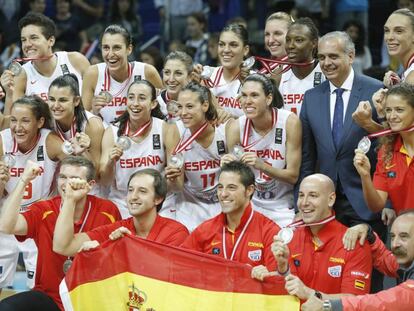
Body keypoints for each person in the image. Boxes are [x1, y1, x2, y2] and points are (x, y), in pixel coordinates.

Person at [0, 157, 121, 311]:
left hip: (91, 297)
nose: (66, 184)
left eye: (74, 178)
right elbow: (5, 226)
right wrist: (24, 180)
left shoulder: (108, 211)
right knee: (7, 307)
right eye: (63, 177)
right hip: (50, 296)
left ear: (90, 185)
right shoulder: (45, 209)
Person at [299, 31, 384, 234]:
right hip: (325, 206)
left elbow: (390, 150)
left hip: (367, 204)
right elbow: (307, 157)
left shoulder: (376, 90)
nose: (326, 62)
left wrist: (387, 204)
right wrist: (300, 204)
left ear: (351, 56)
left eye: (333, 56)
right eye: (321, 57)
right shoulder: (311, 98)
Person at [261, 174, 372, 303]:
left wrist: (310, 294)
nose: (304, 203)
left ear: (331, 199)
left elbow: (356, 302)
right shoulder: (290, 237)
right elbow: (283, 291)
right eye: (301, 195)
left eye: (313, 195)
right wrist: (281, 269)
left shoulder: (354, 242)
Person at [0, 95, 66, 292]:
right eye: (13, 120)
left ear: (40, 122)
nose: (18, 127)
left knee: (38, 288)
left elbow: (77, 167)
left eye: (25, 120)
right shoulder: (2, 141)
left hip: (38, 222)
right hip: (5, 220)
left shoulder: (50, 141)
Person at [53, 168, 189, 258]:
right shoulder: (116, 230)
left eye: (142, 191)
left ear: (158, 199)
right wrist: (70, 199)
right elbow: (63, 247)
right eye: (130, 190)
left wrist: (116, 249)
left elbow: (162, 272)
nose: (133, 196)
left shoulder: (176, 232)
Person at [223, 73, 301, 227]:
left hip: (282, 206)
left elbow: (293, 176)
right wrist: (227, 166)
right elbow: (234, 178)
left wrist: (262, 165)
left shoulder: (289, 122)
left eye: (254, 95)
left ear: (269, 99)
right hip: (249, 203)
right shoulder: (235, 127)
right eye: (244, 96)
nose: (247, 101)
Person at [301, 210, 414, 310]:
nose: (394, 244)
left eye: (404, 236)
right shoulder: (406, 261)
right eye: (393, 236)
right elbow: (389, 261)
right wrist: (370, 235)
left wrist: (329, 305)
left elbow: (386, 302)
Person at [181, 161, 280, 273]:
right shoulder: (204, 231)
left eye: (231, 188)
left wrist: (270, 274)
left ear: (249, 190)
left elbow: (279, 280)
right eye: (220, 187)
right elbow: (180, 266)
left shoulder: (269, 231)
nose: (223, 194)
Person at [99, 80, 178, 218]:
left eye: (142, 98)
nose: (135, 103)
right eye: (131, 97)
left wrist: (172, 177)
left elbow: (176, 185)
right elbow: (105, 181)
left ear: (153, 104)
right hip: (123, 201)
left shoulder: (164, 129)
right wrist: (111, 162)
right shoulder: (112, 132)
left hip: (157, 201)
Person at [0, 12, 90, 115]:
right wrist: (10, 94)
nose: (27, 44)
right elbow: (13, 120)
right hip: (43, 130)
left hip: (81, 127)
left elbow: (93, 101)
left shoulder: (76, 61)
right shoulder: (22, 75)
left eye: (34, 38)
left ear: (51, 41)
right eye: (23, 40)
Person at [163, 83, 223, 231]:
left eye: (189, 107)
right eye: (180, 107)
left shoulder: (224, 129)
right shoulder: (175, 131)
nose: (183, 113)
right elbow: (176, 187)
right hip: (189, 203)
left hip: (223, 201)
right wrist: (172, 178)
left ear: (205, 105)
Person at [82, 24, 163, 124]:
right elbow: (83, 119)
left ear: (129, 49)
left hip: (141, 135)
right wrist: (94, 112)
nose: (110, 54)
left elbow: (162, 112)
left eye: (116, 48)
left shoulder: (147, 72)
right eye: (106, 48)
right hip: (106, 136)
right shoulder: (92, 74)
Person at [354, 83, 414, 215]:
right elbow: (376, 205)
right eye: (388, 110)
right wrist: (365, 176)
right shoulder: (386, 151)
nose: (392, 116)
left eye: (399, 110)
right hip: (405, 232)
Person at [48, 74, 104, 170]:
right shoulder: (46, 119)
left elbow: (97, 173)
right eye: (52, 99)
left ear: (76, 101)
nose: (56, 105)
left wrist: (83, 152)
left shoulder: (92, 125)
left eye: (63, 100)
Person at [202, 23, 250, 118]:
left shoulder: (255, 81)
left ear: (245, 50)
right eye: (221, 44)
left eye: (233, 45)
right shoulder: (207, 77)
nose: (226, 50)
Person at [279, 17, 325, 115]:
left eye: (298, 40)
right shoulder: (278, 75)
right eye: (288, 40)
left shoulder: (326, 72)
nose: (290, 46)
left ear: (314, 43)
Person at [157, 51, 193, 122]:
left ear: (190, 77)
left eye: (178, 73)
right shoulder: (155, 104)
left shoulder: (198, 105)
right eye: (167, 72)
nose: (171, 79)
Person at [383, 9, 414, 87]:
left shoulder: (412, 77)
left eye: (399, 31)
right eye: (386, 30)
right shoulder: (409, 71)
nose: (389, 37)